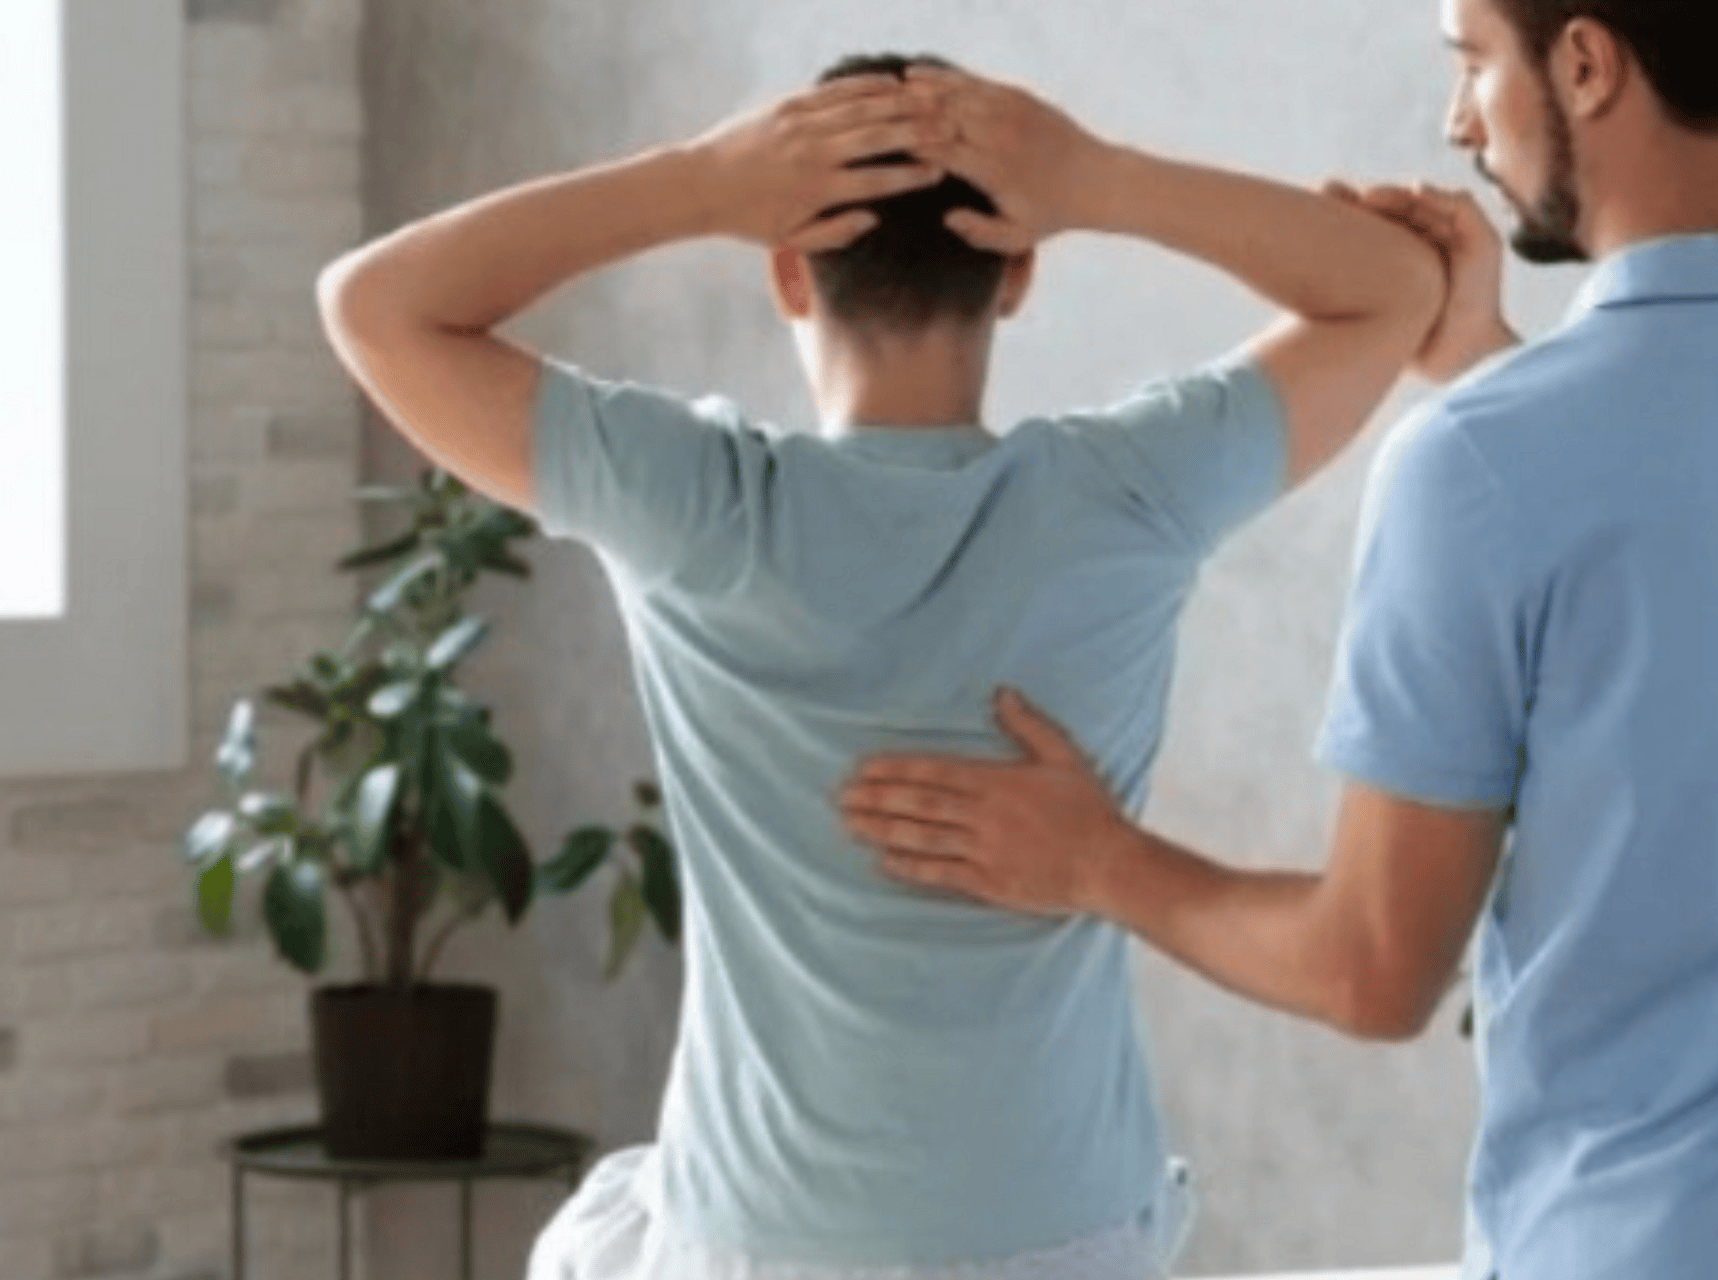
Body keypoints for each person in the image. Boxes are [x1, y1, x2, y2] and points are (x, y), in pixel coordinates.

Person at [317, 52, 1442, 1280]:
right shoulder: (1125, 494)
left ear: (785, 270)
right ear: (1017, 272)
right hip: (1069, 1231)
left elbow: (374, 307)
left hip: (762, 1242)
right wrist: (1098, 178)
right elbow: (1392, 289)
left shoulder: (702, 508)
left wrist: (697, 182)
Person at [840, 4, 1718, 1278]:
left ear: (1585, 62)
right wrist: (1490, 369)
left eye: (1472, 64)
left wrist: (1098, 859)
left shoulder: (1489, 465)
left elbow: (1372, 967)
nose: (1459, 121)